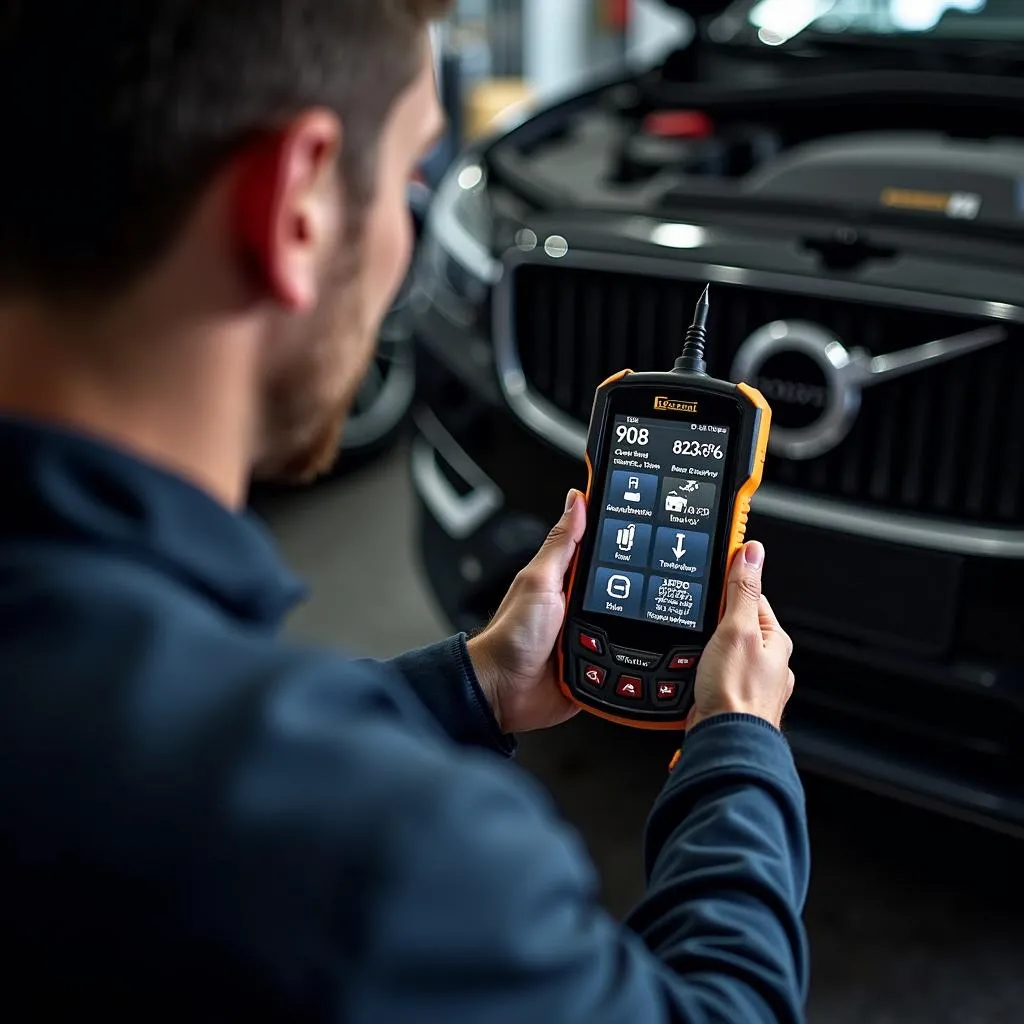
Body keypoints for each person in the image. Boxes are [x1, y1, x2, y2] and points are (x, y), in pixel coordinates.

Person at [0, 2, 807, 1021]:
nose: (408, 230)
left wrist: (468, 688)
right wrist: (737, 748)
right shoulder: (396, 853)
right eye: (410, 178)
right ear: (294, 203)